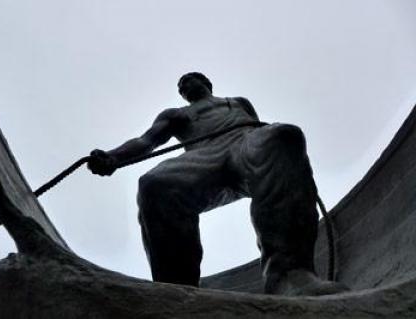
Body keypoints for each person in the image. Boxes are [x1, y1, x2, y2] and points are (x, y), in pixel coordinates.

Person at [88, 72, 348, 296]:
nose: (184, 85)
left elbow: (259, 133)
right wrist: (114, 157)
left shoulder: (237, 102)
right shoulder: (176, 114)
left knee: (282, 137)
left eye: (189, 80)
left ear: (206, 82)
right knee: (154, 184)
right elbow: (146, 141)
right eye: (180, 86)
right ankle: (178, 291)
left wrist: (268, 142)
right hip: (204, 155)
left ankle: (288, 274)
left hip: (242, 143)